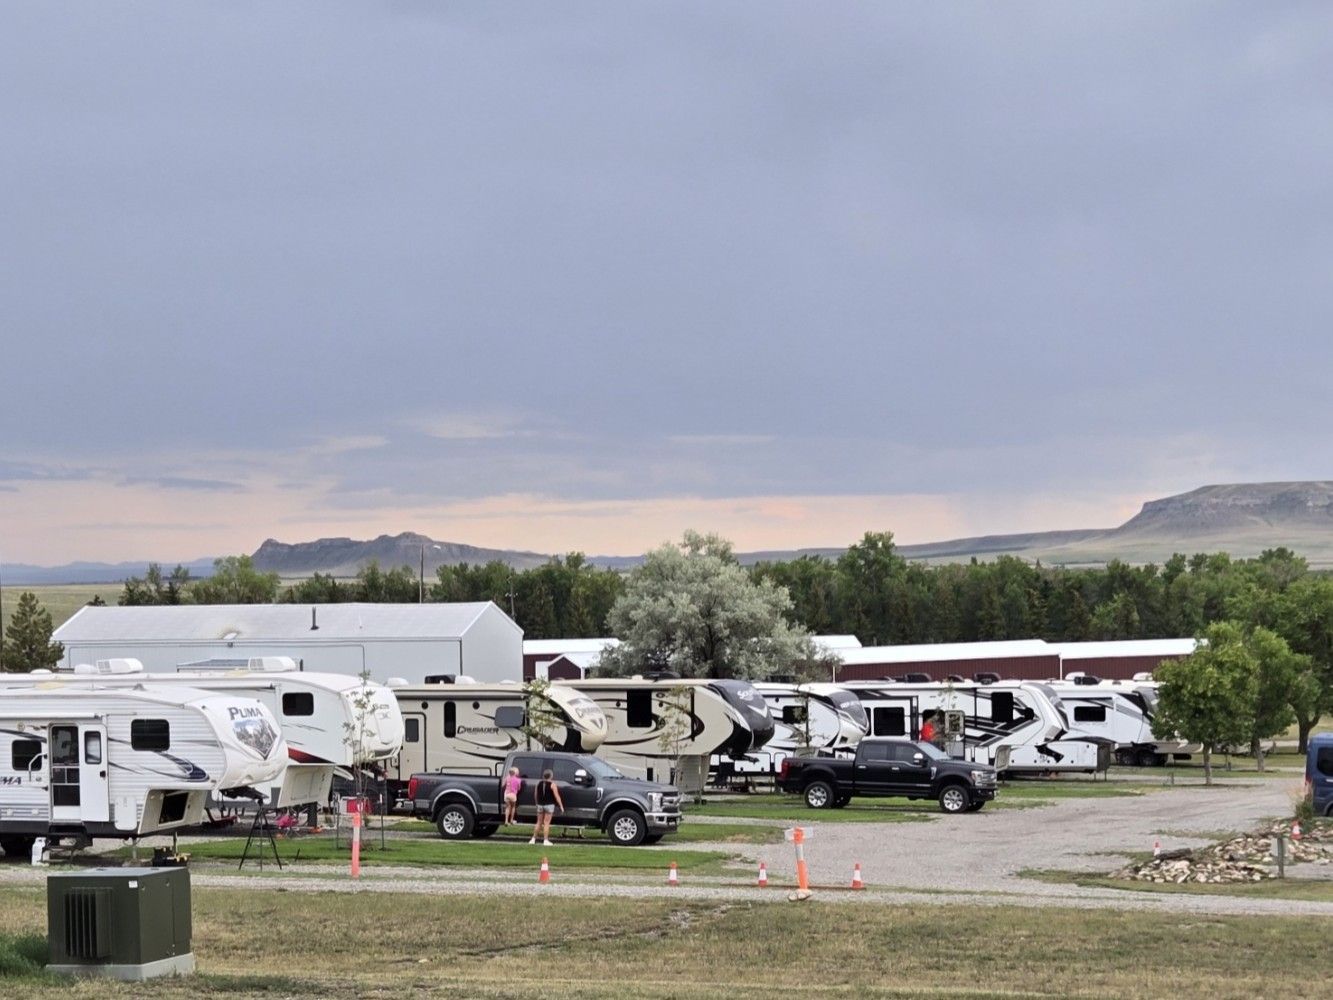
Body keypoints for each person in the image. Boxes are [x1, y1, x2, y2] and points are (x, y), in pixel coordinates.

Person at [528, 768, 564, 846]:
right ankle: (545, 840)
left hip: (540, 804)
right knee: (546, 823)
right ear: (551, 776)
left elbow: (535, 795)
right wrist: (561, 806)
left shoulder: (539, 783)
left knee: (539, 822)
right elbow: (557, 796)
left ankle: (533, 839)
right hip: (549, 805)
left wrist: (537, 803)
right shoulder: (552, 784)